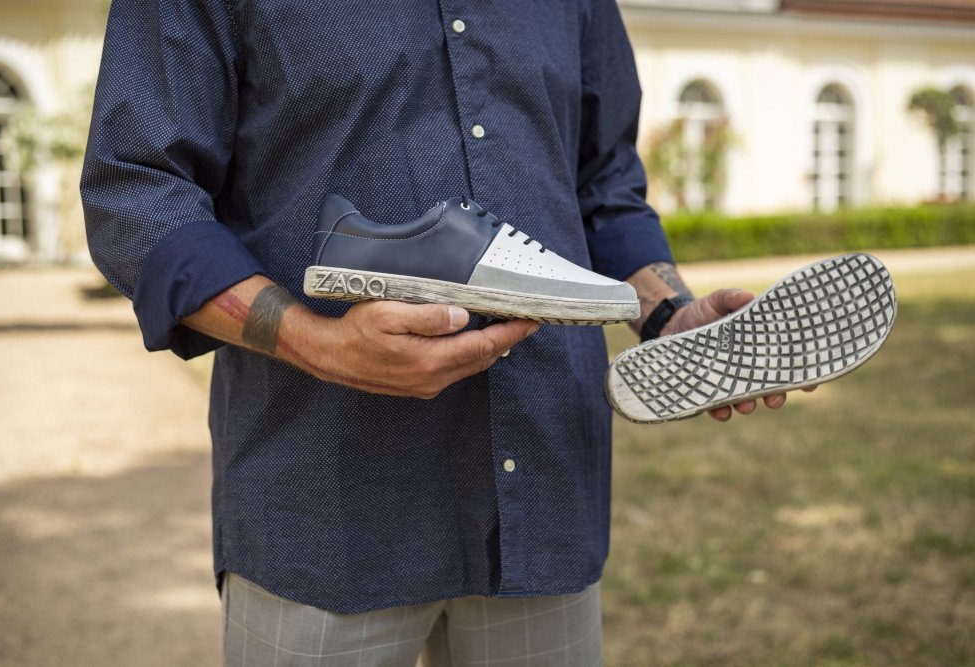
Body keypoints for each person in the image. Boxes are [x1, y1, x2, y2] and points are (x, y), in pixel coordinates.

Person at [82, 1, 795, 664]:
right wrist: (313, 340)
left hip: (543, 491)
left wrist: (670, 312)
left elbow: (602, 181)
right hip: (324, 504)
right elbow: (137, 188)